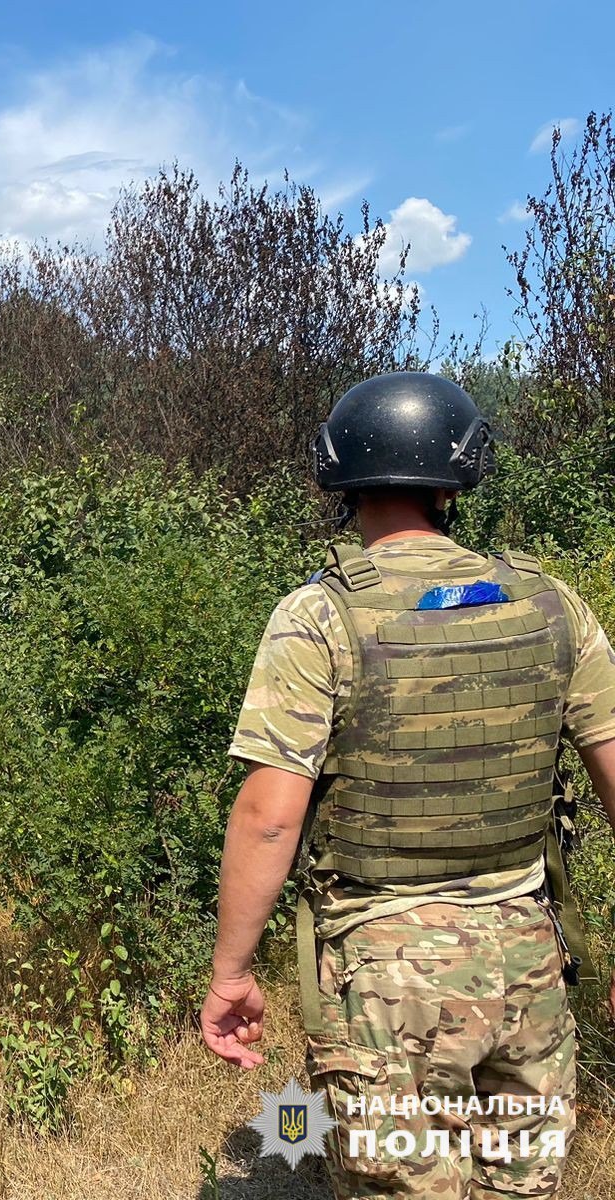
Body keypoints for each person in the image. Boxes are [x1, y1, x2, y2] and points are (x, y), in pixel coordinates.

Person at [199, 371, 615, 1197]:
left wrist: (231, 976)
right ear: (456, 477)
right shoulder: (550, 604)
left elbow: (270, 820)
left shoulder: (319, 618)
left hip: (387, 981)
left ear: (341, 479)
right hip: (527, 963)